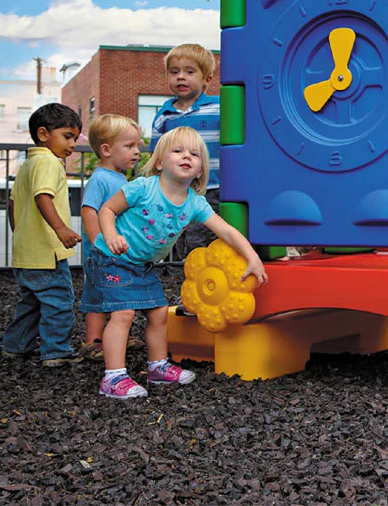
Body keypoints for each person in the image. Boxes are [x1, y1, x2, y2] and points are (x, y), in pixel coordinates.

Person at [89, 126, 269, 399]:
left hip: (143, 265)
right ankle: (113, 378)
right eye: (178, 151)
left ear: (200, 170)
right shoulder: (143, 187)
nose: (187, 156)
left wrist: (253, 258)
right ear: (160, 162)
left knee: (159, 313)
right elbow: (107, 209)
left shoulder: (195, 204)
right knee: (123, 314)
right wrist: (111, 235)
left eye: (195, 154)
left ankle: (157, 366)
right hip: (112, 258)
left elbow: (228, 231)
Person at [1, 103, 84, 367]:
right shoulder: (49, 162)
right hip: (48, 253)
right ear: (44, 134)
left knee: (31, 303)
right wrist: (60, 228)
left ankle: (15, 346)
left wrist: (22, 235)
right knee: (59, 301)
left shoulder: (28, 164)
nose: (72, 144)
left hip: (26, 253)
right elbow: (42, 196)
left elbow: (13, 204)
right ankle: (56, 351)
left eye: (75, 138)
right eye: (67, 136)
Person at [77, 114, 147, 361]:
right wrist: (99, 243)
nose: (136, 152)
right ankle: (93, 342)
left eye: (137, 145)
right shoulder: (100, 179)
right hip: (102, 253)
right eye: (129, 146)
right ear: (106, 150)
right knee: (97, 296)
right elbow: (89, 211)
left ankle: (116, 336)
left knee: (116, 294)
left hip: (115, 251)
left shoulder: (118, 177)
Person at [150, 43, 221, 258]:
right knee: (181, 240)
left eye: (189, 72)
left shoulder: (219, 107)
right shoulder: (164, 116)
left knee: (207, 240)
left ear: (207, 79)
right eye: (174, 72)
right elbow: (156, 157)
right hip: (178, 191)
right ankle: (186, 280)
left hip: (214, 188)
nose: (181, 77)